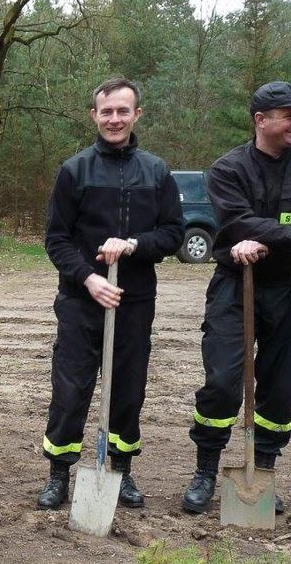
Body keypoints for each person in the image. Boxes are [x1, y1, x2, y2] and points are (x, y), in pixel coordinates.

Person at [182, 81, 291, 516]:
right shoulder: (228, 168)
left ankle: (263, 470)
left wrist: (289, 236)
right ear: (260, 119)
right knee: (221, 381)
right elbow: (238, 222)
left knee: (280, 386)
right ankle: (205, 472)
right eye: (289, 114)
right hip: (237, 286)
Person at [37, 78, 184, 511]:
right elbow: (57, 239)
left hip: (134, 300)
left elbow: (173, 233)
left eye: (123, 111)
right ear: (94, 115)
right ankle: (59, 473)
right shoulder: (75, 170)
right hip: (82, 300)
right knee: (71, 389)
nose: (114, 119)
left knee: (128, 389)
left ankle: (121, 470)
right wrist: (88, 278)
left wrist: (135, 244)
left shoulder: (156, 172)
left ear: (137, 114)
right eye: (107, 112)